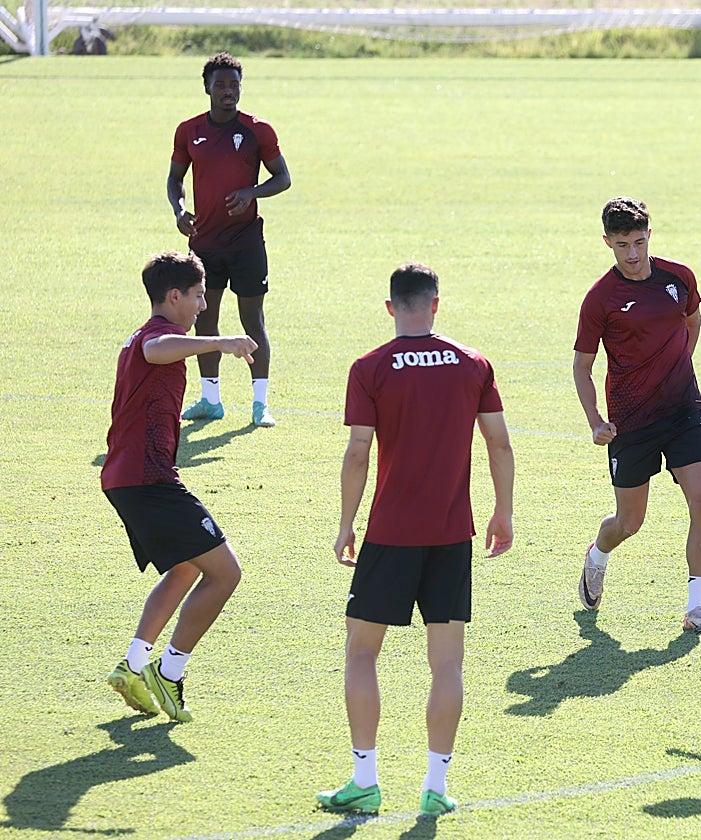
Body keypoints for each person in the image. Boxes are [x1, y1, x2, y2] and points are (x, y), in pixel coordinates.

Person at [318, 263, 514, 817]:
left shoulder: (370, 367)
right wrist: (503, 511)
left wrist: (345, 523)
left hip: (390, 534)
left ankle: (364, 780)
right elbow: (499, 443)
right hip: (452, 535)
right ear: (435, 304)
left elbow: (358, 451)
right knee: (447, 664)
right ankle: (436, 787)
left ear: (389, 308)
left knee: (361, 653)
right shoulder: (472, 363)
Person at [102, 251, 255, 723]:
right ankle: (168, 675)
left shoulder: (150, 336)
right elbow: (157, 350)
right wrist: (224, 341)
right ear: (173, 296)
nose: (203, 303)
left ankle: (132, 666)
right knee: (226, 572)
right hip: (148, 481)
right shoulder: (154, 338)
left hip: (131, 478)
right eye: (198, 294)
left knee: (188, 567)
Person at [573, 197, 701, 634]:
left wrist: (680, 365)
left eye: (639, 242)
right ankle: (598, 554)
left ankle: (696, 608)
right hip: (630, 421)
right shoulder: (601, 299)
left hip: (683, 411)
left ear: (650, 235)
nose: (633, 254)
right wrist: (595, 421)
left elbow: (693, 321)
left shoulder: (679, 277)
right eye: (622, 245)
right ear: (608, 243)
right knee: (629, 522)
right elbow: (582, 366)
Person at [167, 51, 292, 428]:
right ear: (206, 87)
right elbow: (175, 180)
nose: (227, 91)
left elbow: (283, 178)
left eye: (233, 84)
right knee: (204, 319)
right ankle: (210, 400)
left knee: (252, 319)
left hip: (247, 243)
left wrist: (251, 193)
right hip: (204, 243)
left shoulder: (258, 130)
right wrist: (179, 210)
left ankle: (260, 404)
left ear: (241, 88)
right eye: (220, 84)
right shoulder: (188, 131)